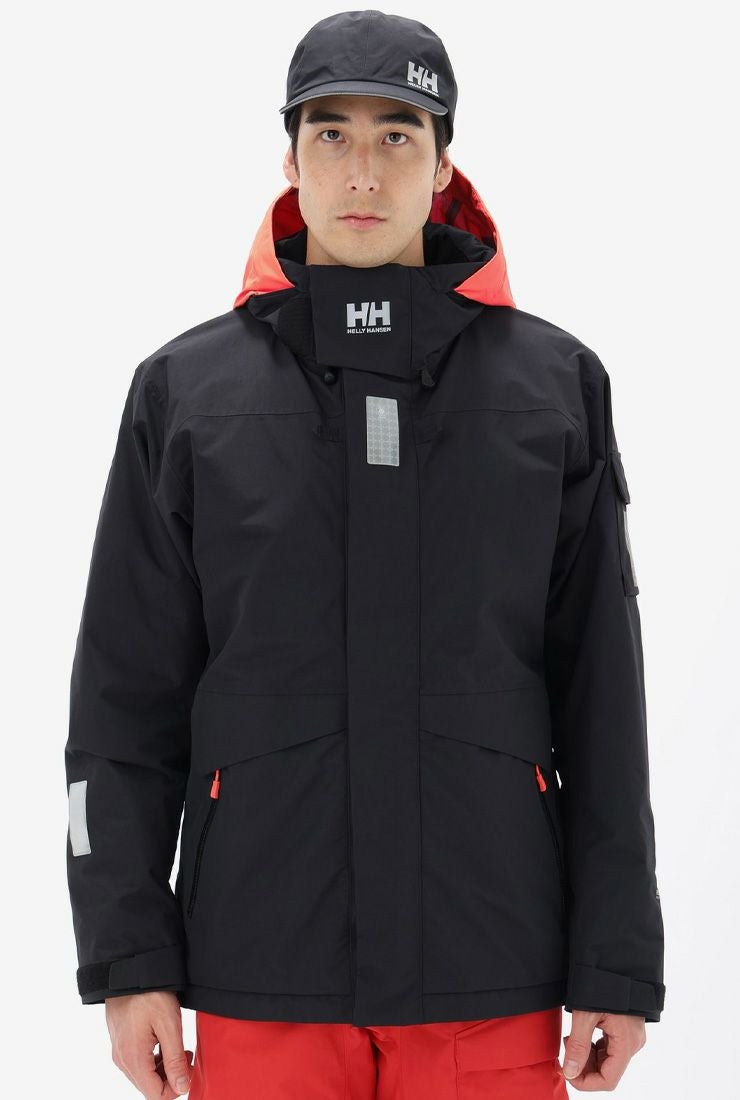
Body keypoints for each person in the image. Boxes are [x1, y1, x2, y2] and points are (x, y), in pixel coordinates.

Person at [64, 9, 666, 1098]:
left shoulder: (551, 388)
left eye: (397, 134)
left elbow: (602, 697)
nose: (362, 170)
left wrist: (615, 960)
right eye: (330, 133)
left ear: (444, 166)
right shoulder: (186, 393)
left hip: (493, 960)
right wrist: (128, 955)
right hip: (261, 963)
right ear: (290, 160)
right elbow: (122, 702)